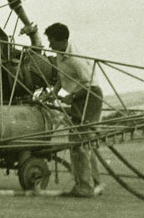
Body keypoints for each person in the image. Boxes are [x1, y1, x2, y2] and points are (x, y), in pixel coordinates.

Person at [45, 22, 104, 198]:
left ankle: (85, 187)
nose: (49, 45)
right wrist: (52, 93)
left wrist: (72, 97)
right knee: (84, 141)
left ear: (63, 41)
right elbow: (61, 78)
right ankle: (95, 183)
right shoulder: (60, 55)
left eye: (52, 41)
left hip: (90, 97)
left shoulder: (74, 58)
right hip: (81, 96)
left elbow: (89, 84)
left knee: (79, 142)